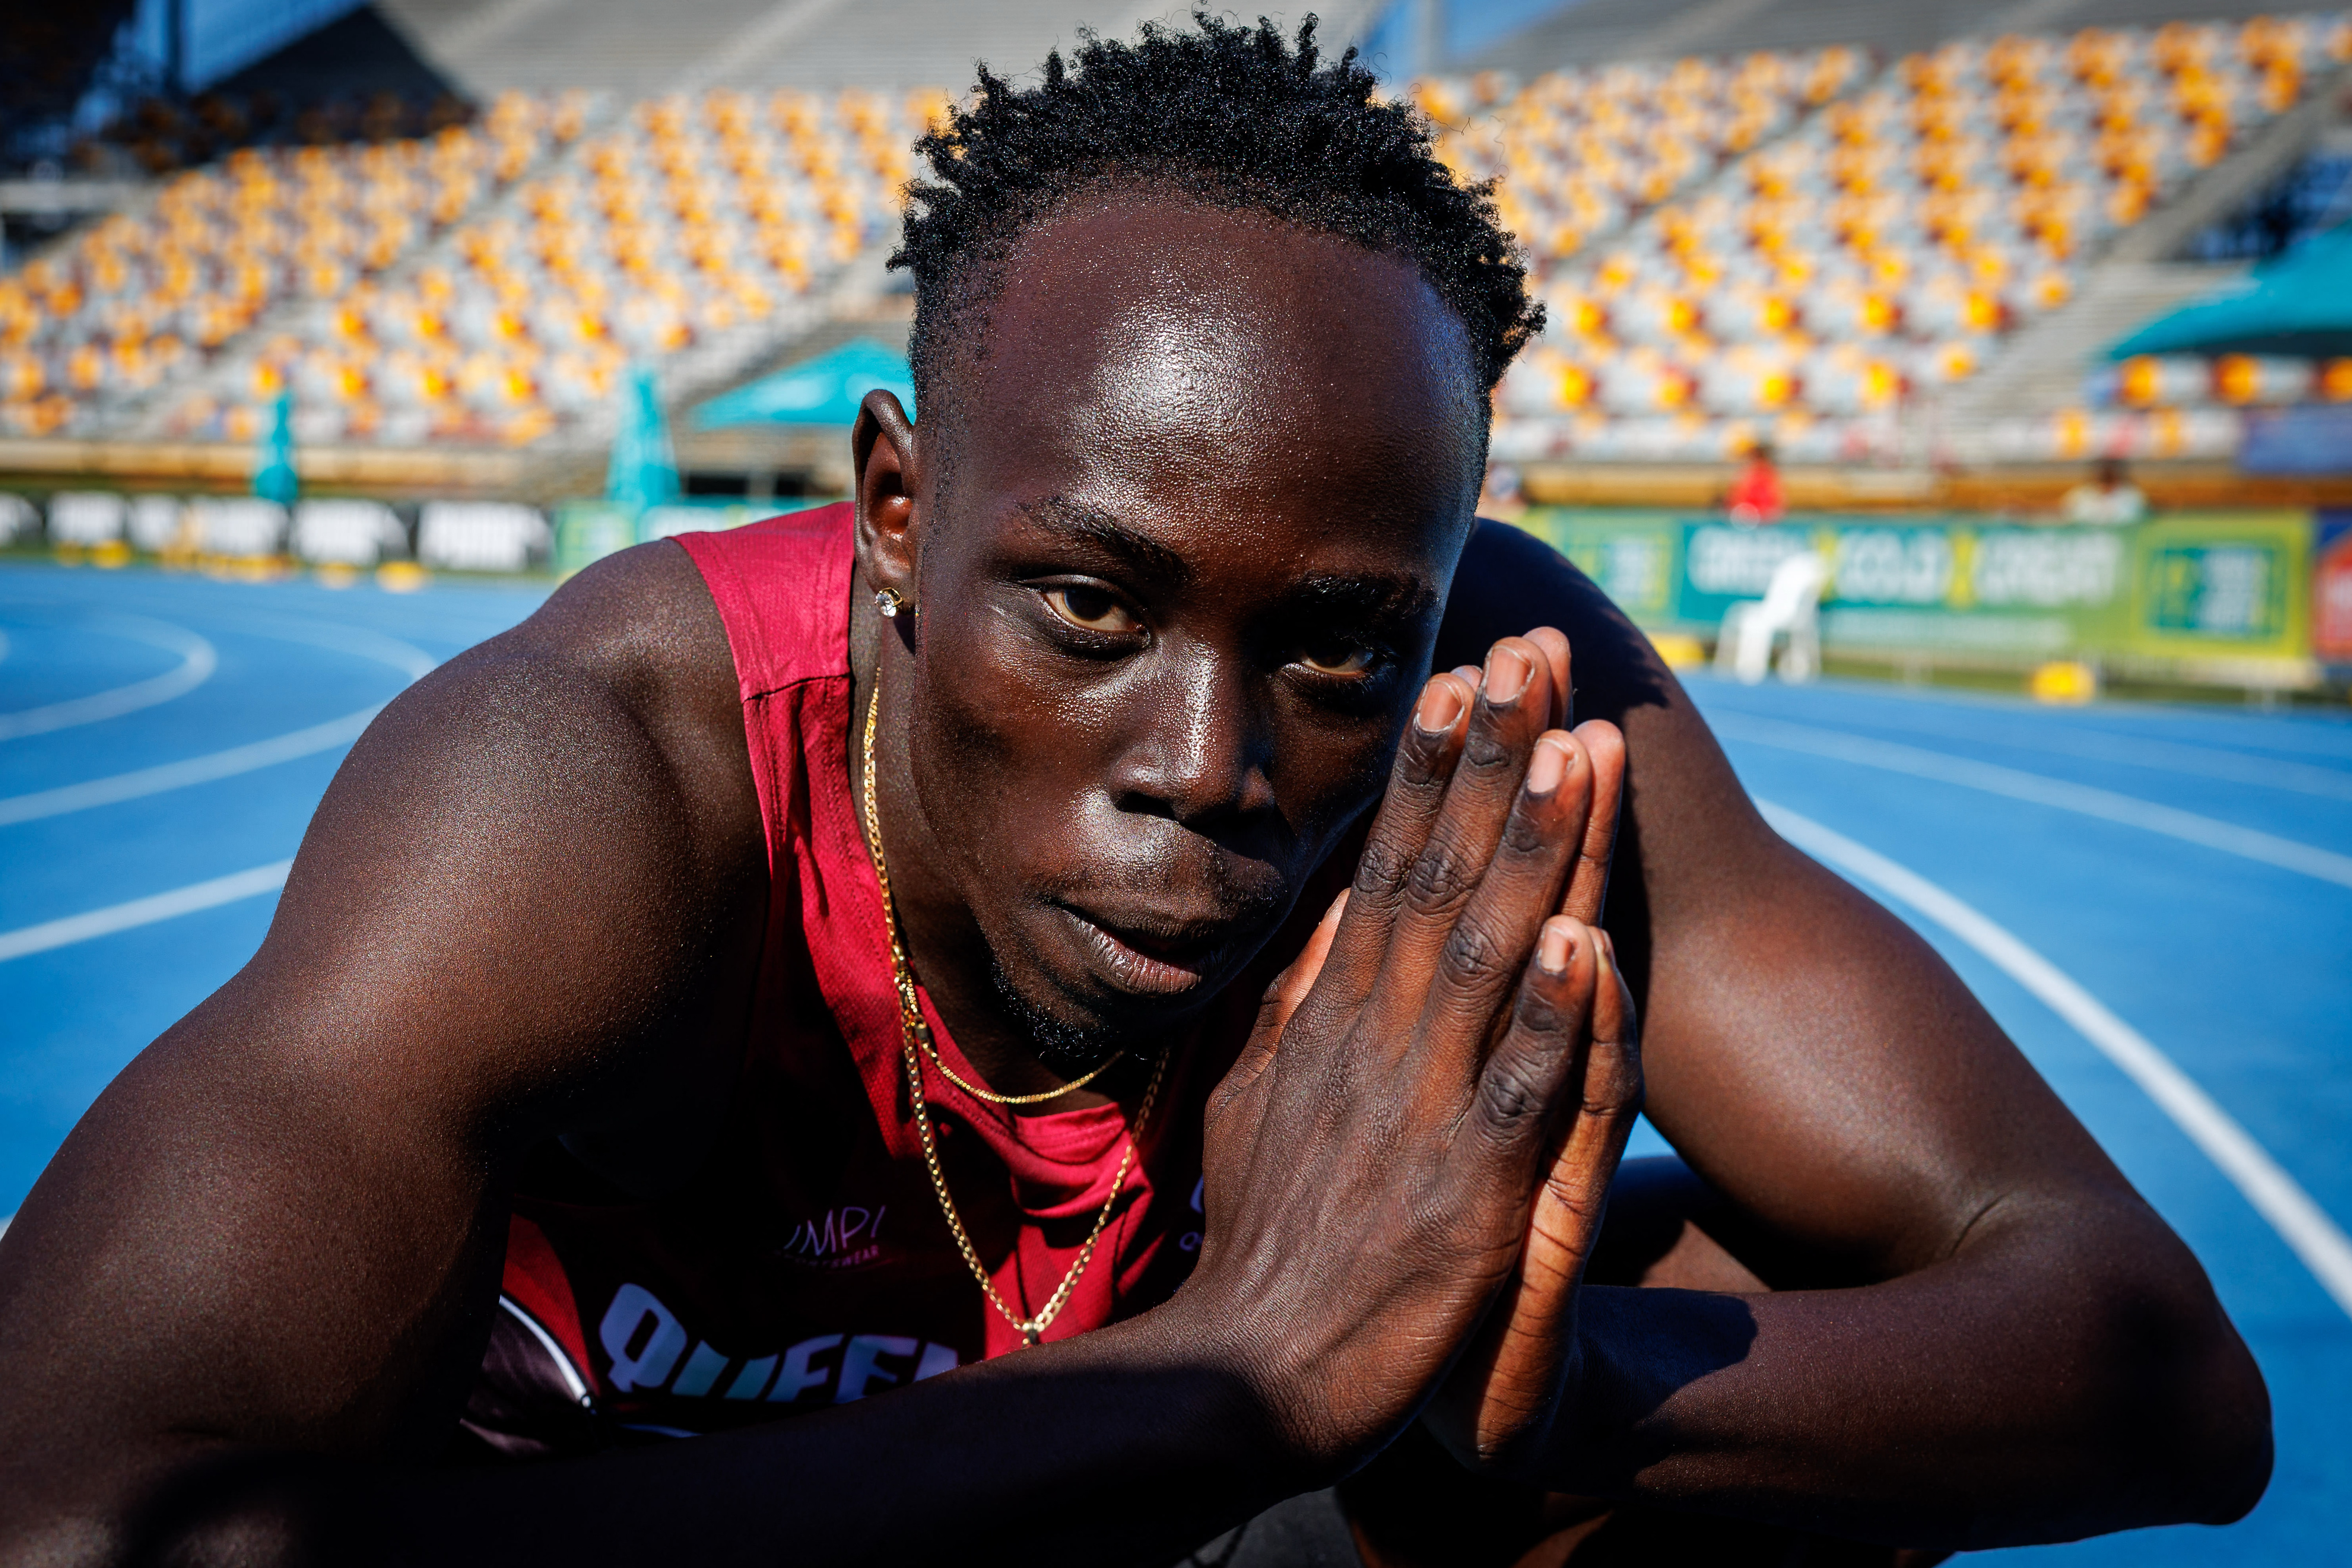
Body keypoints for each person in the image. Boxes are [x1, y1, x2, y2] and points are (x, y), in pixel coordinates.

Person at [0, 20, 2267, 1568]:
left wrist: (1509, 1387)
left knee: (1685, 1300)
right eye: (1085, 606)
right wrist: (1229, 1374)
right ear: (894, 505)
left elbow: (2154, 1365)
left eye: (1329, 646)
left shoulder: (1495, 700)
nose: (1204, 770)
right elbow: (84, 1522)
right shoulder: (585, 786)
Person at [2062, 457, 2148, 525]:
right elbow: (2069, 521)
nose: (2106, 473)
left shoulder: (2133, 496)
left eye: (2111, 470)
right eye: (2103, 471)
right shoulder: (2079, 496)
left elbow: (2139, 522)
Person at [1725, 441, 1784, 525]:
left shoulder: (1768, 475)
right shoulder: (1747, 474)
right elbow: (1736, 499)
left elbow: (1777, 502)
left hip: (1764, 520)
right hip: (1747, 518)